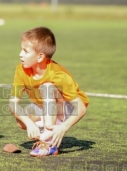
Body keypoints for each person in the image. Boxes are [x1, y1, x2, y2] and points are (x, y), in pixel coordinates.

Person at [8, 26, 89, 157]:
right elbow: (12, 104)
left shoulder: (58, 74)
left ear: (40, 57)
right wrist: (29, 124)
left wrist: (63, 128)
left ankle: (49, 143)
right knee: (21, 121)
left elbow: (81, 109)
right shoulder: (21, 70)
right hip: (45, 106)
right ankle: (48, 133)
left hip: (67, 108)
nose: (20, 54)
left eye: (25, 51)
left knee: (47, 87)